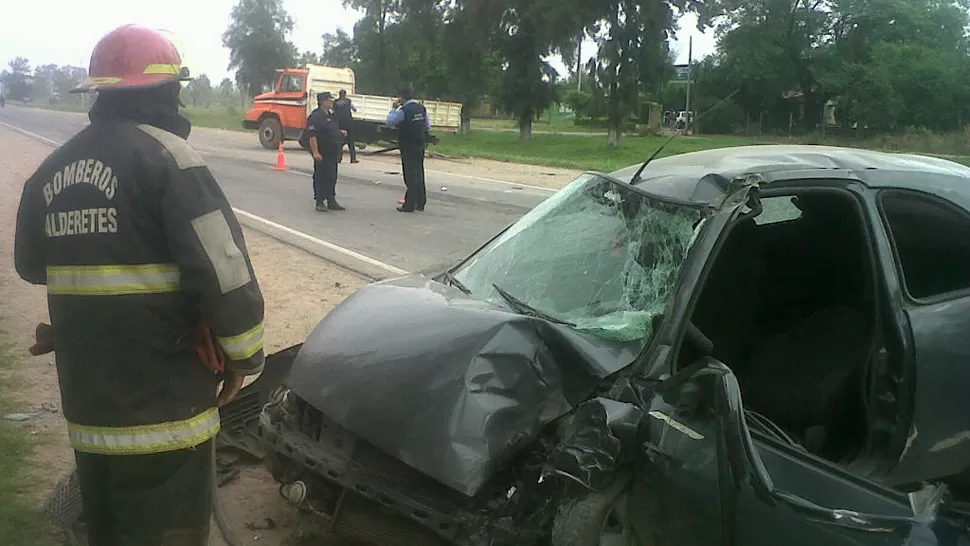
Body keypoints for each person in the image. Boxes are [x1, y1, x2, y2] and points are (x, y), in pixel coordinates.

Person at [13, 24, 266, 546]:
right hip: (167, 420)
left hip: (90, 413)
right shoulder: (170, 160)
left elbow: (31, 267)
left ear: (99, 94)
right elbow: (224, 272)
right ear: (166, 92)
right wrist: (246, 358)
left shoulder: (49, 172)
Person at [386, 89, 431, 212]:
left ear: (401, 98)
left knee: (410, 175)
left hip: (408, 145)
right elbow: (427, 126)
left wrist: (393, 108)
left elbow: (390, 123)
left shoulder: (404, 110)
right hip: (420, 144)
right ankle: (420, 202)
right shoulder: (421, 108)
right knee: (419, 173)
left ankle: (409, 204)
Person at [307, 91, 347, 212]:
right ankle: (320, 201)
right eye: (330, 100)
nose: (332, 102)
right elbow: (312, 135)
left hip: (332, 151)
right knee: (321, 176)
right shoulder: (316, 116)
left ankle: (331, 200)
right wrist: (315, 152)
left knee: (332, 176)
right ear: (324, 102)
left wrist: (340, 133)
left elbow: (332, 129)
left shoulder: (331, 115)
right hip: (322, 151)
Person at [333, 89, 359, 164]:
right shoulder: (348, 101)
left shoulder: (335, 102)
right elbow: (354, 109)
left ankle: (338, 158)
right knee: (351, 141)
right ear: (345, 94)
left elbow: (333, 110)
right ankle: (353, 159)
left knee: (339, 142)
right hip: (348, 123)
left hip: (339, 123)